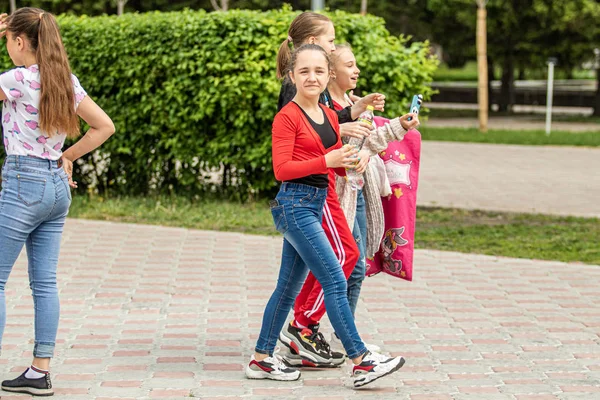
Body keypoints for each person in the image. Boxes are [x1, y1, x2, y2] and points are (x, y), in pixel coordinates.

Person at [246, 44, 406, 388]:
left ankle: (261, 359)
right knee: (335, 279)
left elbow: (334, 157)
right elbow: (282, 169)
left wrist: (349, 161)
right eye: (303, 71)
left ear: (327, 75)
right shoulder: (286, 116)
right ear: (292, 76)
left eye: (319, 71)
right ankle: (361, 361)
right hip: (294, 205)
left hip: (317, 202)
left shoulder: (329, 114)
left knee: (287, 289)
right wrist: (328, 162)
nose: (312, 77)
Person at [0, 8, 115, 396]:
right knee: (44, 283)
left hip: (22, 183)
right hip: (55, 186)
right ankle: (40, 371)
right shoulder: (64, 80)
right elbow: (105, 126)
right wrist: (68, 156)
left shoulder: (15, 79)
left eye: (9, 41)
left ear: (19, 41)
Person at [275, 11, 380, 367]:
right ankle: (314, 334)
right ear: (314, 43)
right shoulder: (296, 87)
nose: (334, 47)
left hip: (317, 191)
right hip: (306, 194)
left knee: (300, 277)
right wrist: (332, 156)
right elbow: (297, 143)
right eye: (331, 41)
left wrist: (352, 117)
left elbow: (325, 121)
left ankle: (286, 342)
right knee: (342, 263)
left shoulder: (309, 86)